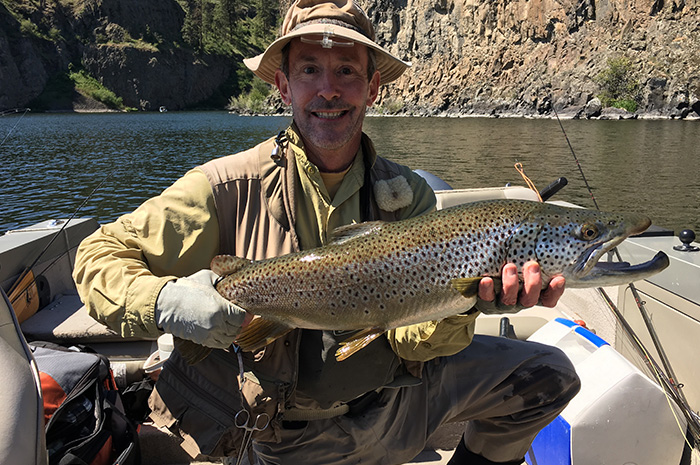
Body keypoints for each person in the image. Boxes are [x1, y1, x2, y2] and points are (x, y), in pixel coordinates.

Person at [73, 0, 580, 464]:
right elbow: (98, 255)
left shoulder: (407, 194)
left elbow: (412, 342)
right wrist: (165, 301)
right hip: (280, 435)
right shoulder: (224, 187)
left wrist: (466, 305)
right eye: (310, 70)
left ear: (372, 87)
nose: (329, 89)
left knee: (547, 376)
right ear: (284, 86)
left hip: (394, 405)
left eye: (346, 72)